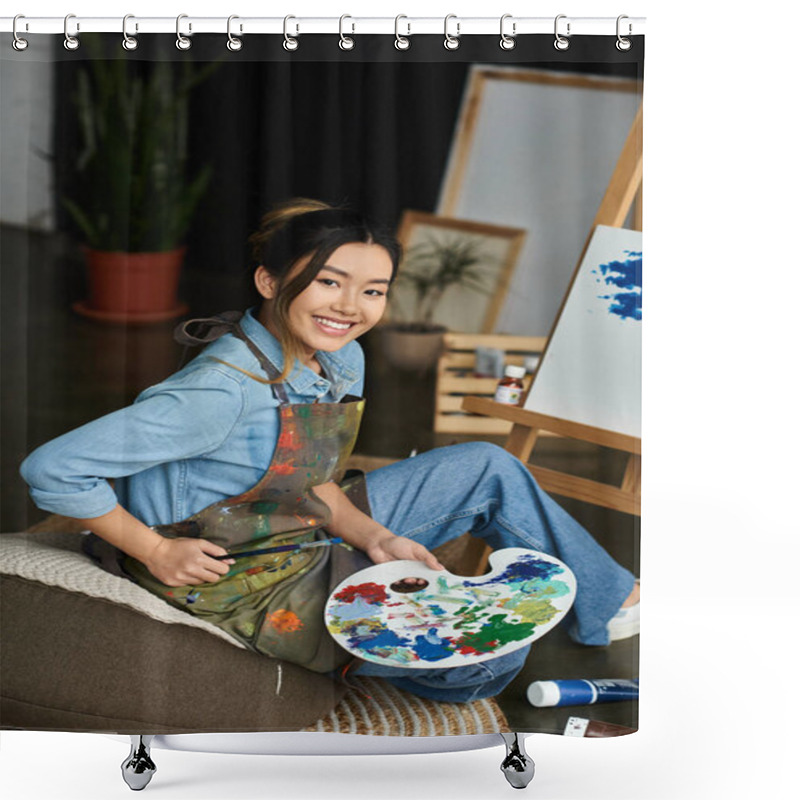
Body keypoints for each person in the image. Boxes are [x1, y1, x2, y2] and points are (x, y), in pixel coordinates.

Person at [20, 198, 639, 704]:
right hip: (235, 571)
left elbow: (308, 474)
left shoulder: (342, 355)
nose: (350, 307)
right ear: (269, 280)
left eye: (373, 291)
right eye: (328, 282)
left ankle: (611, 604)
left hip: (294, 525)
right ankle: (368, 655)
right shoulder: (219, 392)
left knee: (488, 466)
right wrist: (156, 550)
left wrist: (375, 537)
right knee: (498, 649)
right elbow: (51, 469)